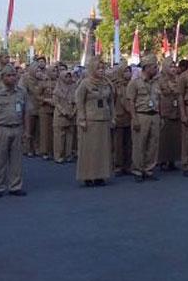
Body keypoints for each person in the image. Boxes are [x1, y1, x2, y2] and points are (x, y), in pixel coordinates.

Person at [0, 64, 30, 198]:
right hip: (1, 128)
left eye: (14, 75)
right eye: (9, 75)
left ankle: (15, 186)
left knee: (16, 160)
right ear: (2, 77)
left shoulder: (22, 92)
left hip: (17, 128)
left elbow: (26, 112)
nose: (12, 78)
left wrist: (27, 131)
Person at [75, 56, 114, 186]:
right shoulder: (85, 83)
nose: (101, 71)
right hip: (90, 120)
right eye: (98, 68)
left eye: (103, 68)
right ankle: (88, 175)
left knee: (102, 149)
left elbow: (111, 102)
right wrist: (81, 119)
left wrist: (112, 117)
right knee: (89, 149)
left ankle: (100, 175)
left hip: (103, 119)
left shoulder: (107, 83)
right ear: (92, 69)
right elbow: (79, 102)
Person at [128, 55, 161, 181]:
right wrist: (134, 118)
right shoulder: (135, 83)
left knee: (153, 144)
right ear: (146, 68)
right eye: (154, 67)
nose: (156, 69)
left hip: (155, 115)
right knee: (139, 144)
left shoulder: (157, 82)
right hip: (141, 115)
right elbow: (131, 102)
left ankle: (149, 169)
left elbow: (159, 100)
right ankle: (137, 170)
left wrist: (160, 116)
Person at [157, 56, 180, 171]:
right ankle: (162, 160)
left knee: (174, 137)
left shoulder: (178, 79)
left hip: (176, 111)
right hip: (165, 111)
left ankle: (172, 160)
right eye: (171, 66)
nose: (173, 69)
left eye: (174, 66)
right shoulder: (160, 79)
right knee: (164, 137)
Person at [111, 63, 132, 174]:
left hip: (130, 117)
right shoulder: (115, 86)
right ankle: (118, 165)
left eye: (129, 71)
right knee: (118, 143)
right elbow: (111, 102)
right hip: (119, 117)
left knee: (128, 142)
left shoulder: (132, 84)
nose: (127, 73)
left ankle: (127, 165)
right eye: (125, 71)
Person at [52, 68, 76, 163]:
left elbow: (76, 102)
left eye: (69, 76)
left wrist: (73, 112)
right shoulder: (57, 89)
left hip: (71, 115)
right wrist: (64, 112)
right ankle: (58, 156)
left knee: (70, 136)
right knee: (59, 137)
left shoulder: (73, 88)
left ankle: (68, 154)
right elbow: (56, 103)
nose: (68, 78)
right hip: (60, 116)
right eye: (66, 76)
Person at [39, 64, 57, 160]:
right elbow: (37, 95)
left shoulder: (59, 82)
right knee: (45, 131)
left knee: (54, 132)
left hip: (55, 109)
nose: (55, 73)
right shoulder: (43, 82)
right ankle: (44, 151)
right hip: (45, 109)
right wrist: (45, 100)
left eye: (56, 71)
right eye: (53, 71)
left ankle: (53, 150)